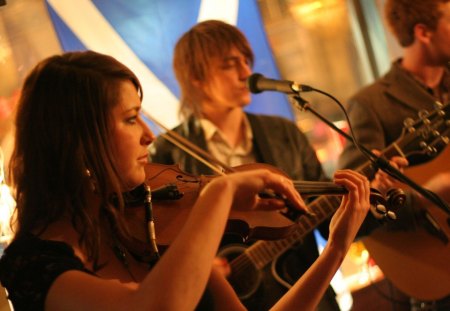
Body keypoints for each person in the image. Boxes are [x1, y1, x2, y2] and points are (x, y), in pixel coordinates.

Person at [0, 50, 372, 311]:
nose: (149, 135)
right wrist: (220, 190)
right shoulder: (32, 263)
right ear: (77, 138)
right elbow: (156, 307)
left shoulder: (146, 236)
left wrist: (335, 250)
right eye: (131, 119)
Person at [149, 20, 392, 310]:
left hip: (308, 296)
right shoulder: (166, 154)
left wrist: (368, 198)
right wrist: (199, 264)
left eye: (246, 61)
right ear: (197, 77)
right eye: (229, 64)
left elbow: (326, 223)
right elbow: (157, 245)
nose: (245, 73)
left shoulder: (284, 133)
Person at [337, 0, 450, 309]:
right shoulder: (371, 104)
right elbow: (355, 210)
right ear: (423, 32)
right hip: (435, 263)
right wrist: (432, 191)